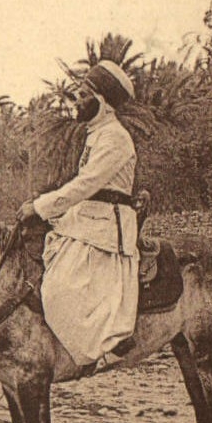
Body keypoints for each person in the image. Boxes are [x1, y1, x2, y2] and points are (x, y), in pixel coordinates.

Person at [19, 60, 139, 370]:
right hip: (86, 220)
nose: (77, 100)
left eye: (84, 95)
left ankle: (99, 349)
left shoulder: (115, 138)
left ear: (103, 103)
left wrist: (40, 207)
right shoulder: (97, 134)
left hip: (104, 226)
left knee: (59, 288)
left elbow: (86, 185)